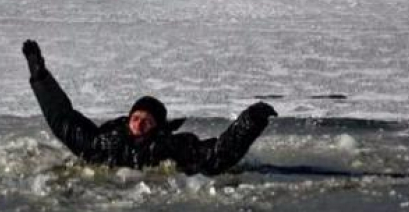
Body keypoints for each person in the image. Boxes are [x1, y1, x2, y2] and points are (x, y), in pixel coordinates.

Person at [23, 40, 277, 176]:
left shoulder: (170, 148)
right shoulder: (103, 143)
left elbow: (217, 157)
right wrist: (40, 77)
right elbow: (63, 120)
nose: (139, 123)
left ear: (158, 127)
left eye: (147, 120)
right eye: (136, 117)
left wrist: (251, 120)